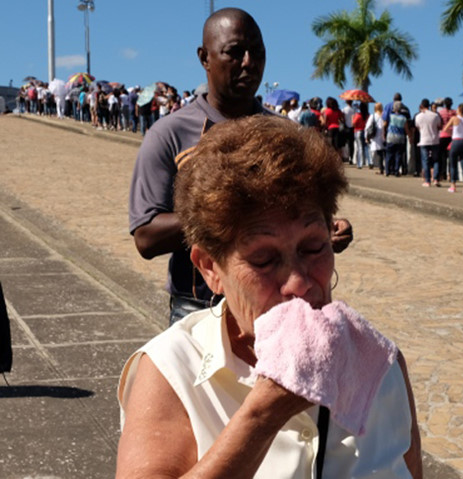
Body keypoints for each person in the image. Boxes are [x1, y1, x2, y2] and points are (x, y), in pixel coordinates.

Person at [117, 115, 422, 479]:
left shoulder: (381, 364)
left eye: (313, 248)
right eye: (263, 259)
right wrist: (261, 416)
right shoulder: (170, 368)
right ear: (210, 268)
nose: (298, 283)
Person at [128, 8, 353, 326]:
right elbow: (146, 237)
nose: (249, 62)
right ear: (205, 58)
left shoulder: (284, 134)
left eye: (257, 52)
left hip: (279, 304)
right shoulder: (169, 134)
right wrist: (225, 212)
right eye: (234, 52)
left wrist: (323, 229)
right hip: (198, 309)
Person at [442, 103, 463, 193]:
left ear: (458, 110)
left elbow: (445, 129)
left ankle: (453, 185)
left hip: (456, 141)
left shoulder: (454, 118)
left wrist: (452, 133)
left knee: (453, 164)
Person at [414, 98, 441, 187]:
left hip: (424, 140)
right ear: (429, 106)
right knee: (436, 160)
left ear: (421, 106)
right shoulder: (435, 116)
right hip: (434, 140)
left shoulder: (418, 116)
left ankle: (427, 180)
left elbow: (418, 127)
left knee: (425, 161)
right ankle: (436, 179)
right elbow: (439, 126)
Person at [366, 102, 386, 175]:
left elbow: (367, 127)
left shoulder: (373, 116)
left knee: (379, 153)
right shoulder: (383, 115)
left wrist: (367, 136)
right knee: (382, 152)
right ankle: (384, 168)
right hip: (383, 135)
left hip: (375, 136)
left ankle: (381, 169)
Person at [352, 103, 370, 168]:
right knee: (366, 147)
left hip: (358, 131)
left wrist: (353, 118)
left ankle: (360, 163)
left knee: (359, 147)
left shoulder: (357, 115)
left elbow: (353, 124)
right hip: (365, 131)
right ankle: (369, 162)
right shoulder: (368, 115)